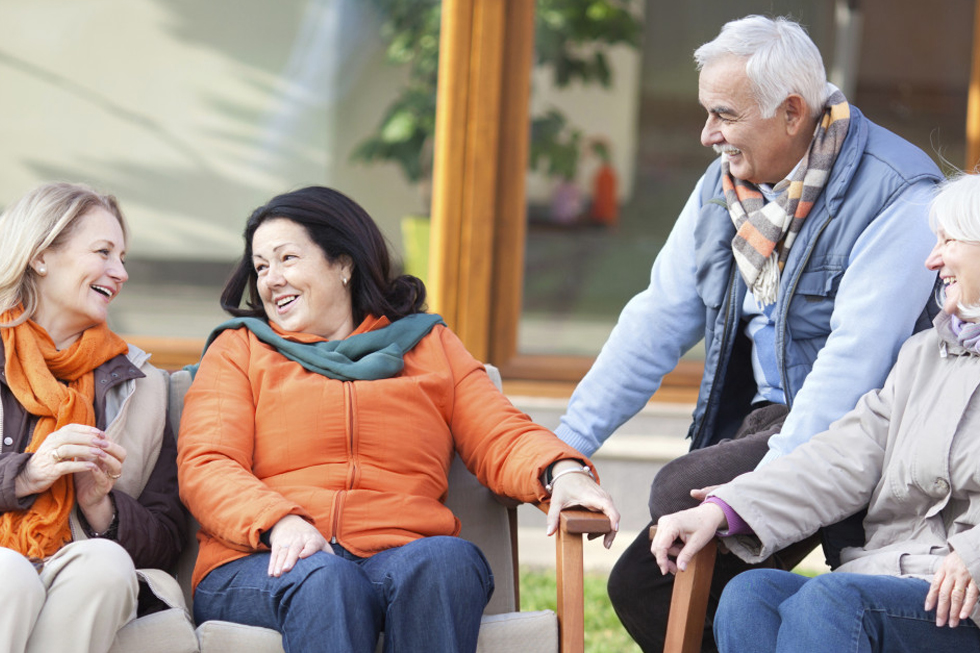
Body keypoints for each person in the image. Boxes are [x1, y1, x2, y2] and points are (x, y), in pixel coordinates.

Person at [554, 14, 943, 652]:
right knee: (648, 585)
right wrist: (566, 445)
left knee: (689, 503)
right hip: (772, 420)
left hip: (866, 432)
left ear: (792, 112)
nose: (707, 135)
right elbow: (656, 317)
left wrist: (760, 491)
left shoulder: (898, 194)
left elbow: (852, 371)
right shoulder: (725, 190)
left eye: (725, 115)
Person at [176, 185, 621, 653]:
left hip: (396, 554)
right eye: (262, 267)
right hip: (267, 561)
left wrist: (561, 471)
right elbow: (208, 462)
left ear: (343, 263)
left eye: (287, 259)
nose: (271, 280)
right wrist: (280, 521)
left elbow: (499, 432)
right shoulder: (240, 350)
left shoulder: (429, 347)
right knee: (327, 579)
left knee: (447, 560)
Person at [651, 171, 980, 653]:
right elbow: (841, 456)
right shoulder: (924, 356)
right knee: (751, 596)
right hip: (898, 580)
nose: (932, 260)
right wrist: (726, 509)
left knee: (831, 600)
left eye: (948, 241)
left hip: (964, 602)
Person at [0, 182, 186, 653]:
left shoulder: (145, 385)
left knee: (105, 563)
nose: (120, 272)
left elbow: (168, 538)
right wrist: (28, 475)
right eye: (103, 251)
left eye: (122, 257)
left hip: (81, 568)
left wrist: (100, 504)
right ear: (40, 255)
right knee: (11, 574)